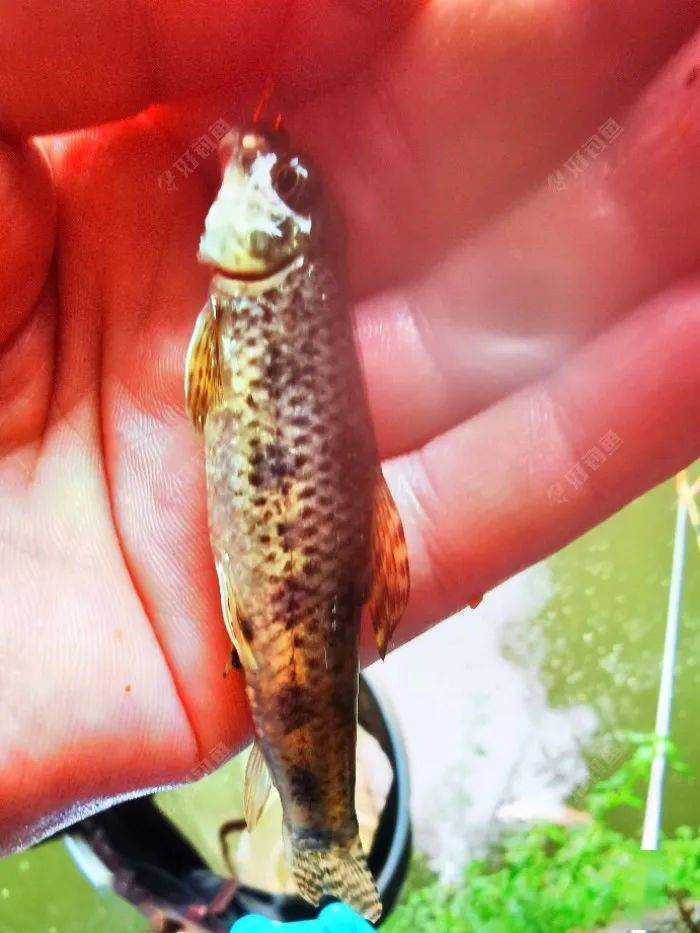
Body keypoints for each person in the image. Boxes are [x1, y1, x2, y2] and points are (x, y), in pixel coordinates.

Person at [0, 1, 698, 857]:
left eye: (284, 186)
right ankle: (323, 830)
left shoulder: (251, 299)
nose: (255, 165)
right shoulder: (255, 296)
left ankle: (322, 834)